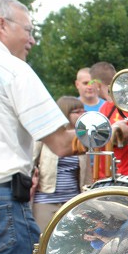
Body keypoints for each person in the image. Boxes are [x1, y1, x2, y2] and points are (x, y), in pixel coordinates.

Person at [0, 0, 80, 254]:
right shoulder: (9, 68)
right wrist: (111, 132)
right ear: (1, 24)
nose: (32, 40)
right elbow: (61, 143)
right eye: (29, 30)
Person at [32, 97, 93, 230]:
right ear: (65, 113)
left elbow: (87, 174)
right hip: (45, 200)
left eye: (83, 111)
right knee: (42, 242)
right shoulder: (48, 135)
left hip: (73, 200)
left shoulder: (82, 138)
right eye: (77, 111)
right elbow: (31, 161)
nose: (82, 114)